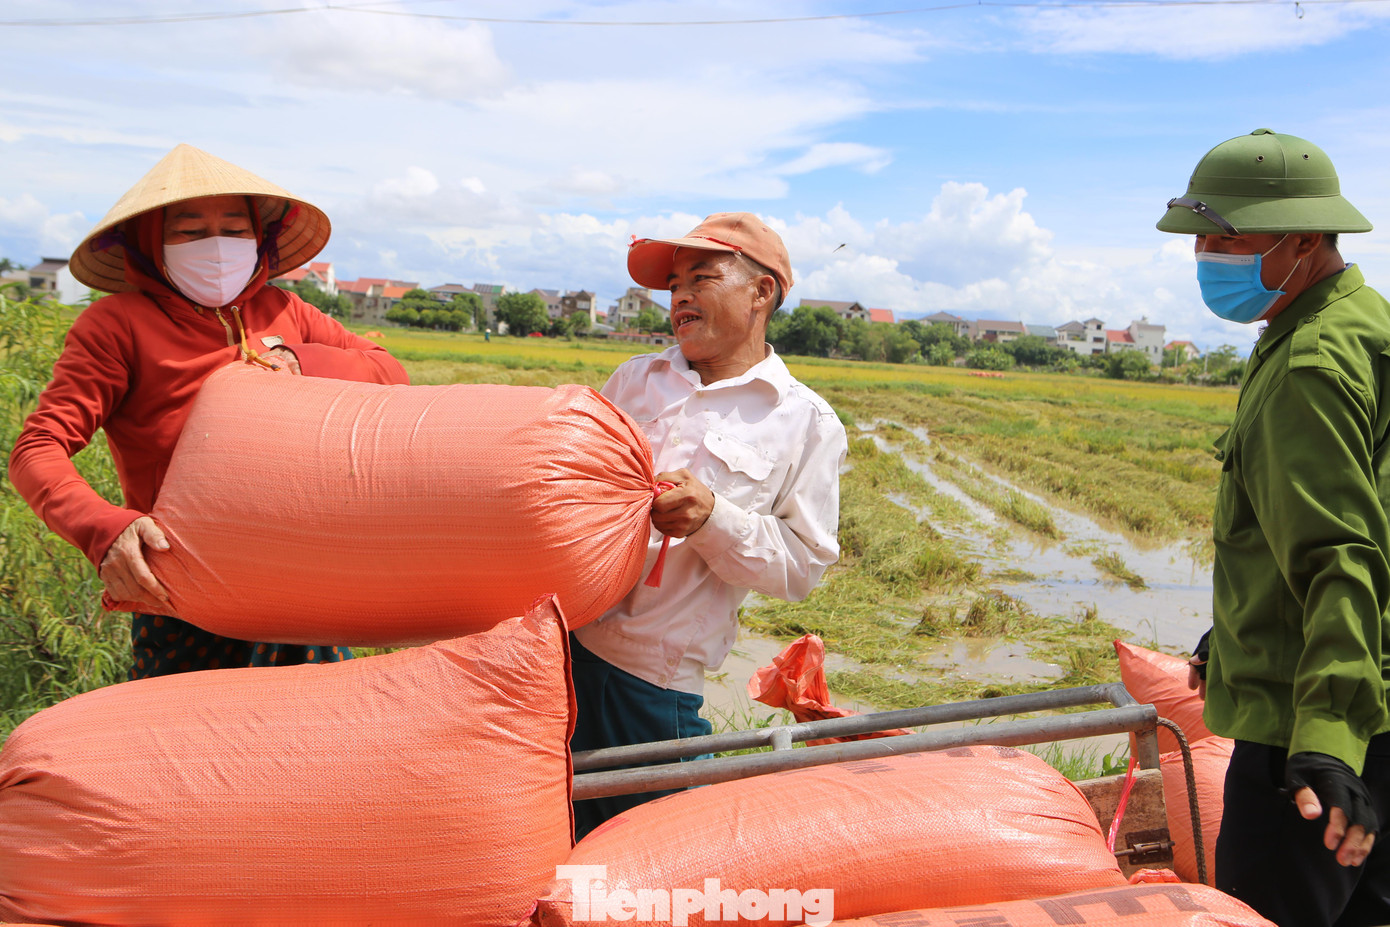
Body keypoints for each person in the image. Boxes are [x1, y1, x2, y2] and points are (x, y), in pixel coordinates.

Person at [9, 143, 409, 679]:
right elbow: (38, 448)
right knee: (187, 729)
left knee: (316, 723)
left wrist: (304, 359)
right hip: (184, 588)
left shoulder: (286, 309)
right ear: (151, 243)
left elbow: (388, 369)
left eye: (235, 230)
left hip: (304, 576)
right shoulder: (116, 327)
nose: (217, 247)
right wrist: (103, 529)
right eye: (191, 231)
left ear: (258, 238)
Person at [1160, 129, 1390, 926]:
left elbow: (1340, 556)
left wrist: (1325, 738)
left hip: (1310, 737)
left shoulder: (1308, 364)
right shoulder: (1362, 325)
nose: (1206, 256)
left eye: (1229, 237)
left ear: (1303, 238)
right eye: (1200, 239)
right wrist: (1234, 634)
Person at [570, 212, 847, 837]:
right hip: (559, 649)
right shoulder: (634, 380)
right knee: (552, 835)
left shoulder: (805, 423)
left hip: (649, 681)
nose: (680, 296)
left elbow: (801, 568)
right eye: (674, 285)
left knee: (654, 851)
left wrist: (712, 518)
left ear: (761, 292)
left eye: (702, 278)